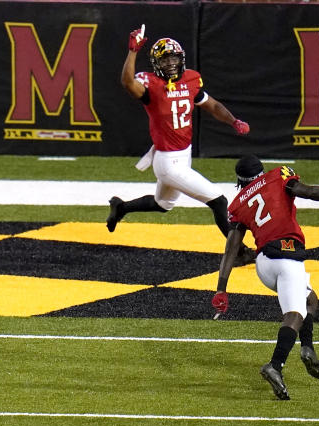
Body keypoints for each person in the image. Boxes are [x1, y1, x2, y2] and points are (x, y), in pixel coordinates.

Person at [211, 155, 319, 400]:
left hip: (264, 264)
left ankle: (307, 348)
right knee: (295, 314)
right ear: (260, 172)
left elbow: (231, 248)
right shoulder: (277, 176)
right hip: (285, 256)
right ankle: (275, 365)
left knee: (309, 299)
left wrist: (221, 288)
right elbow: (310, 191)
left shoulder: (238, 203)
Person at [107, 28, 254, 265]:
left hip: (182, 155)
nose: (171, 63)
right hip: (167, 161)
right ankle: (238, 252)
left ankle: (121, 207)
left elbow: (213, 105)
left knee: (162, 204)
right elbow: (127, 82)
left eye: (174, 58)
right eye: (165, 59)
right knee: (218, 201)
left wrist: (233, 120)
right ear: (156, 63)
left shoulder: (191, 79)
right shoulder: (151, 84)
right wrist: (133, 51)